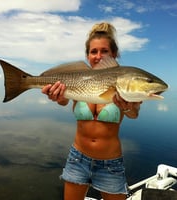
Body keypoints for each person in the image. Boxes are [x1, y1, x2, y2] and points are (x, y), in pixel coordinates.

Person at [42, 22, 142, 200]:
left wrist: (128, 108)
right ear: (87, 55)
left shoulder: (124, 81)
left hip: (110, 164)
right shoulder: (79, 79)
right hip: (77, 159)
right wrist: (59, 98)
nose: (98, 56)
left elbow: (134, 114)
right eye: (93, 51)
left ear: (114, 54)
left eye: (104, 51)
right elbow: (65, 100)